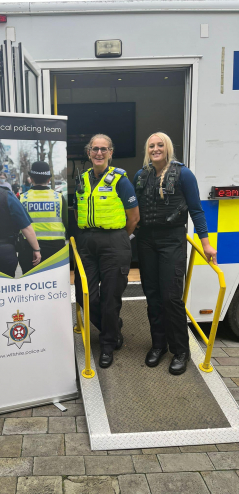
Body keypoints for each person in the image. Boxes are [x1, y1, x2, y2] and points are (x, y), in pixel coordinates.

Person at [134, 132, 217, 375]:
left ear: (168, 148)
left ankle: (181, 350)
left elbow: (197, 211)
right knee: (152, 295)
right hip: (146, 240)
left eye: (160, 145)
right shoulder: (141, 175)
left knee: (171, 296)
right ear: (147, 149)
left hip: (172, 240)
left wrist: (206, 243)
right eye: (151, 145)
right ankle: (158, 345)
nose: (156, 149)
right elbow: (132, 209)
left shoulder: (184, 174)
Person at [74, 134, 140, 369]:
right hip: (87, 243)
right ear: (88, 152)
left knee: (111, 298)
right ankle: (112, 327)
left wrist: (122, 237)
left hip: (114, 242)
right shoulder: (81, 179)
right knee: (85, 295)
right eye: (94, 149)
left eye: (104, 149)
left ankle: (109, 343)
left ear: (111, 152)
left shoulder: (121, 180)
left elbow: (134, 217)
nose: (99, 153)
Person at [19, 161, 67, 274]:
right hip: (56, 249)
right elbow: (67, 223)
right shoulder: (59, 198)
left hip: (29, 249)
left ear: (31, 178)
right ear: (49, 179)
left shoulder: (22, 198)